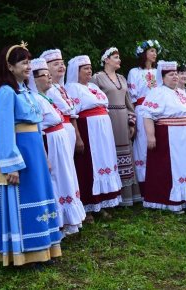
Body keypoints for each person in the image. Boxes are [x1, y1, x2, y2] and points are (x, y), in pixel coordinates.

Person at [0, 42, 62, 266]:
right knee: (24, 199)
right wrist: (11, 165)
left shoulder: (28, 93)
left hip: (35, 155)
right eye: (23, 62)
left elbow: (37, 127)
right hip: (20, 154)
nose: (28, 66)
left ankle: (44, 249)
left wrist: (44, 156)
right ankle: (26, 253)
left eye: (29, 62)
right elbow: (4, 131)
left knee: (41, 197)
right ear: (10, 67)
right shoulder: (6, 93)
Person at [142, 61, 186, 213]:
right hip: (171, 137)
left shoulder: (182, 93)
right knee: (175, 168)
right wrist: (151, 136)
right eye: (171, 75)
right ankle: (172, 201)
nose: (175, 77)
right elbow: (147, 114)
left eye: (176, 74)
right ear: (163, 77)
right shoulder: (157, 93)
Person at [29, 58, 85, 235]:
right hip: (51, 143)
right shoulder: (35, 100)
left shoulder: (46, 96)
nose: (49, 78)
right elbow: (38, 129)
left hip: (59, 141)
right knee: (57, 180)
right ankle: (58, 222)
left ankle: (70, 220)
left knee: (66, 177)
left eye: (48, 74)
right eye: (44, 75)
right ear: (34, 79)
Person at [65, 55, 122, 223]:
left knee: (104, 163)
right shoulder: (72, 88)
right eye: (85, 68)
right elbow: (73, 113)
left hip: (102, 131)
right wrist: (78, 137)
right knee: (88, 166)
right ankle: (87, 206)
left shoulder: (93, 87)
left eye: (90, 68)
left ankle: (102, 203)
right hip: (87, 128)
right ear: (76, 71)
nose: (89, 71)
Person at [92, 47, 139, 207]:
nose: (119, 60)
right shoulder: (97, 78)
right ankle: (112, 195)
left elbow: (128, 102)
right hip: (107, 118)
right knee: (110, 153)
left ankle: (127, 195)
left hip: (122, 117)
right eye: (116, 57)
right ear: (106, 59)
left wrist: (131, 121)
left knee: (126, 153)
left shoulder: (121, 78)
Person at [127, 39, 161, 195]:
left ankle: (159, 179)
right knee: (143, 143)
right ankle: (144, 185)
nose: (154, 54)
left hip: (158, 111)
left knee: (158, 141)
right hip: (142, 110)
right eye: (152, 51)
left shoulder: (159, 71)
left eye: (155, 51)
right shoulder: (135, 72)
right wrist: (132, 119)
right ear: (144, 53)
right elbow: (132, 98)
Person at [40, 49, 78, 153]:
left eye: (62, 63)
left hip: (68, 130)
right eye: (56, 64)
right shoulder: (47, 90)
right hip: (58, 132)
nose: (61, 66)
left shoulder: (61, 88)